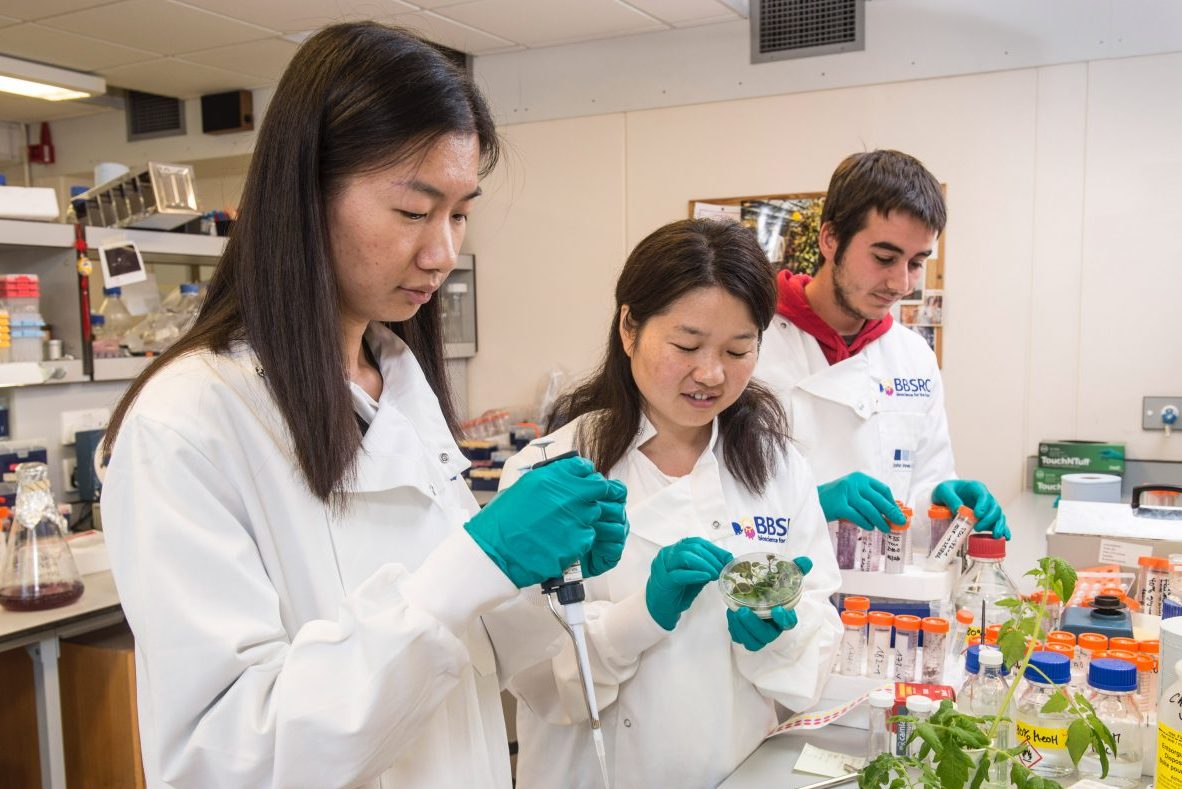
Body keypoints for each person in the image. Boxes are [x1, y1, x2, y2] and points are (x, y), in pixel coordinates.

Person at [99, 23, 627, 788]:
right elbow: (227, 756)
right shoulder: (188, 424)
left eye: (460, 212)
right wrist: (476, 560)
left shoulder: (397, 385)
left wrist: (538, 577)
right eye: (415, 211)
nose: (444, 251)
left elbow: (458, 654)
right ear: (305, 196)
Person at [487, 218, 842, 789]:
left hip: (740, 771)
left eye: (737, 349)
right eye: (686, 345)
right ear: (629, 327)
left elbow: (822, 636)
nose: (711, 374)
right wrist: (641, 617)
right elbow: (529, 673)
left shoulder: (779, 469)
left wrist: (785, 634)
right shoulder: (549, 470)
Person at [756, 150, 1010, 543]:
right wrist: (810, 504)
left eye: (915, 262)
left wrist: (946, 503)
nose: (901, 284)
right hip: (776, 589)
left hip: (884, 593)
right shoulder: (751, 342)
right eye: (884, 257)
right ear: (830, 238)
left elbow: (921, 489)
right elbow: (707, 497)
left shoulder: (913, 358)